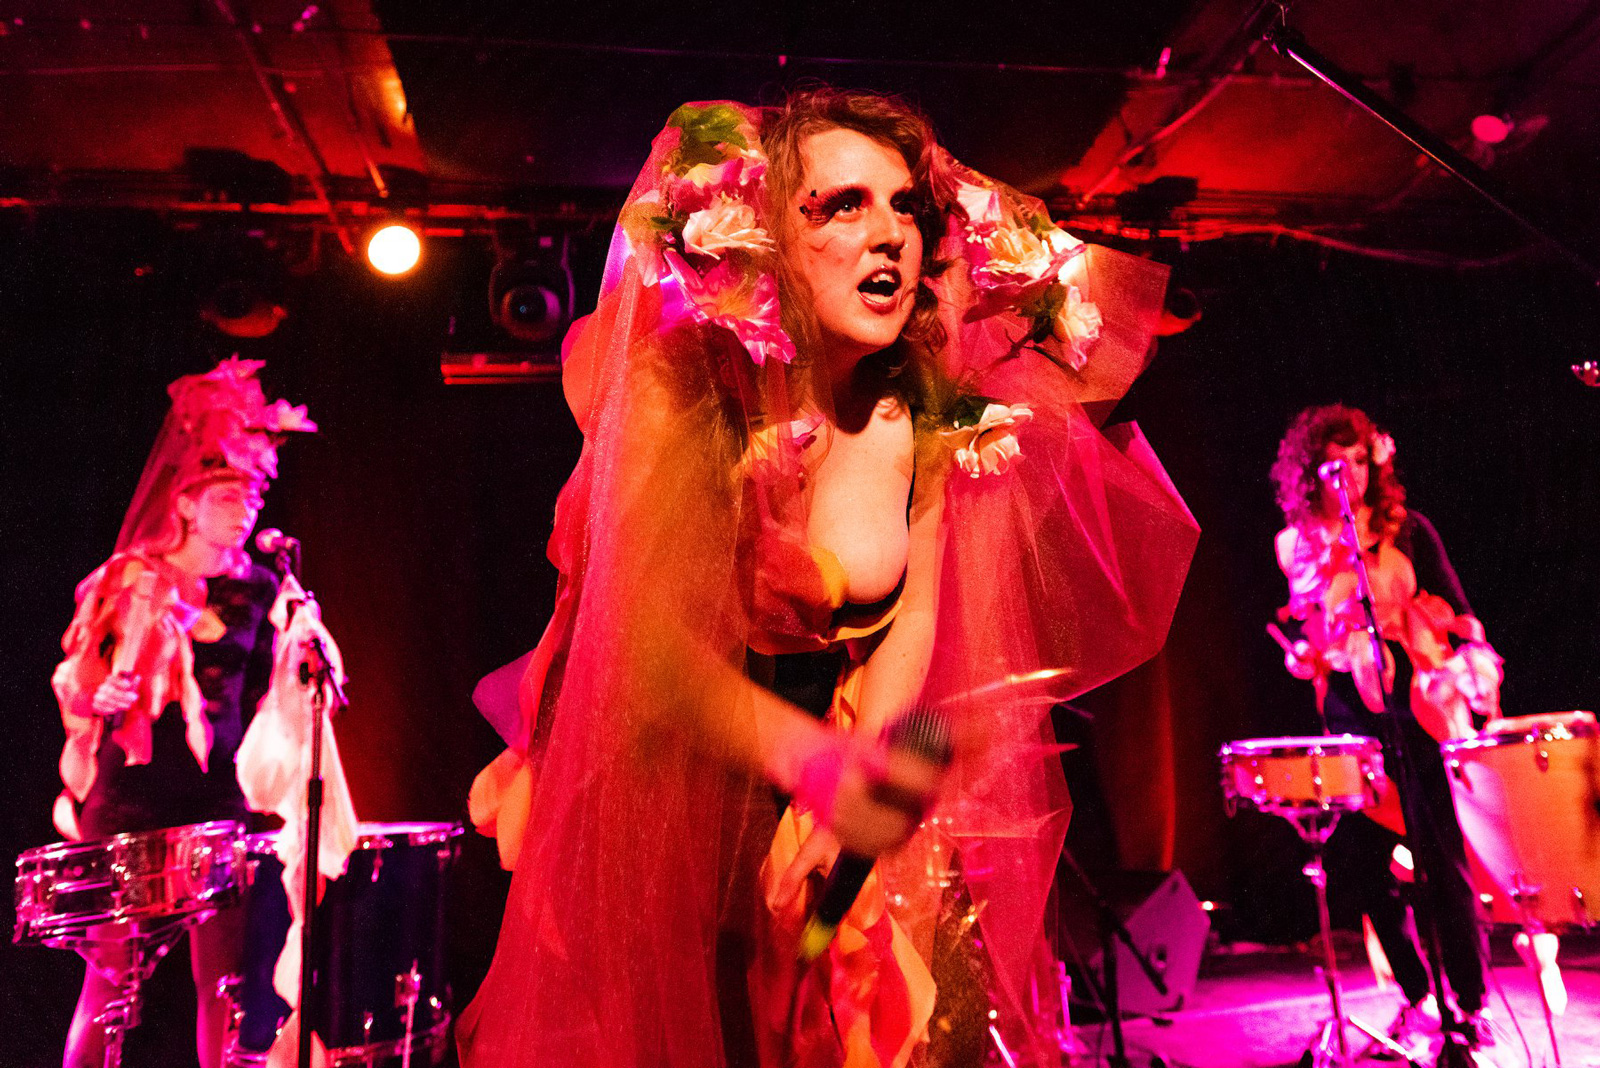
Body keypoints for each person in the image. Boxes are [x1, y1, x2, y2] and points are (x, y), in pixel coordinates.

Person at [460, 88, 1198, 1068]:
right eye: (843, 204)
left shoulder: (919, 407)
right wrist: (814, 766)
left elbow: (911, 615)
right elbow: (644, 640)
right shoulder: (683, 385)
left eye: (905, 206)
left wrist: (866, 778)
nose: (888, 232)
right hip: (671, 784)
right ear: (768, 234)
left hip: (826, 775)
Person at [50, 358, 314, 1068]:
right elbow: (80, 676)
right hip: (132, 798)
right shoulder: (133, 579)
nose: (244, 510)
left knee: (226, 984)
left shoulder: (262, 589)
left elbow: (261, 696)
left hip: (215, 799)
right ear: (188, 504)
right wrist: (100, 697)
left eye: (253, 496)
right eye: (227, 497)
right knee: (111, 980)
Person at [1270, 404, 1502, 1055]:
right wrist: (1307, 654)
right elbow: (1312, 633)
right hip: (1350, 714)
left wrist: (1460, 655)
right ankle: (1418, 991)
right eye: (1335, 464)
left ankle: (1469, 1002)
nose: (1351, 473)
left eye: (1360, 460)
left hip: (1416, 708)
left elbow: (1460, 613)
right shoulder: (1296, 547)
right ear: (1311, 474)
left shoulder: (1409, 530)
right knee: (1358, 865)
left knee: (1441, 860)